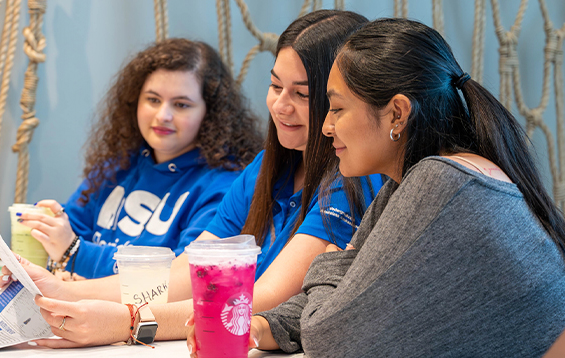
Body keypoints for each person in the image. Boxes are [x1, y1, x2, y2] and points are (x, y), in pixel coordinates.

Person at [0, 10, 383, 346]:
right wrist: (65, 291)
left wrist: (127, 320)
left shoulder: (350, 180)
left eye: (302, 94)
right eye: (275, 85)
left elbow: (264, 299)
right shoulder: (265, 168)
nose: (280, 106)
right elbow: (189, 271)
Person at [232, 18, 565, 357]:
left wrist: (329, 264)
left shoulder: (440, 184)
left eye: (338, 108)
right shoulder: (415, 179)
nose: (327, 127)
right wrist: (261, 325)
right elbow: (345, 292)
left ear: (397, 114)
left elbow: (329, 339)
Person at [14, 39, 263, 279]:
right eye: (153, 100)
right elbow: (73, 230)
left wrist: (77, 254)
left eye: (181, 105)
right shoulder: (118, 164)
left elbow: (181, 276)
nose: (163, 115)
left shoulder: (225, 185)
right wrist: (46, 230)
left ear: (211, 115)